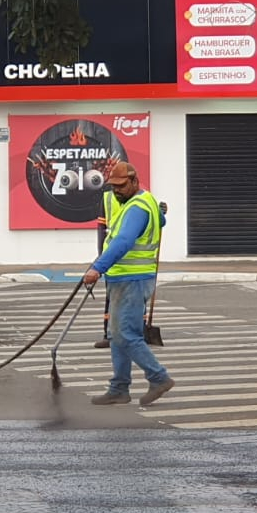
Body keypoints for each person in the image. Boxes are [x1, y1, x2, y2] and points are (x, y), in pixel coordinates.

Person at [81, 162, 174, 406]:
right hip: (124, 278)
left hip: (132, 279)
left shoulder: (137, 208)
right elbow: (160, 222)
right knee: (116, 335)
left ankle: (159, 378)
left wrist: (97, 268)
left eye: (122, 186)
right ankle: (119, 388)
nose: (117, 190)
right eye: (114, 186)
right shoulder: (145, 200)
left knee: (126, 335)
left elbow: (123, 241)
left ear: (134, 181)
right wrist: (160, 213)